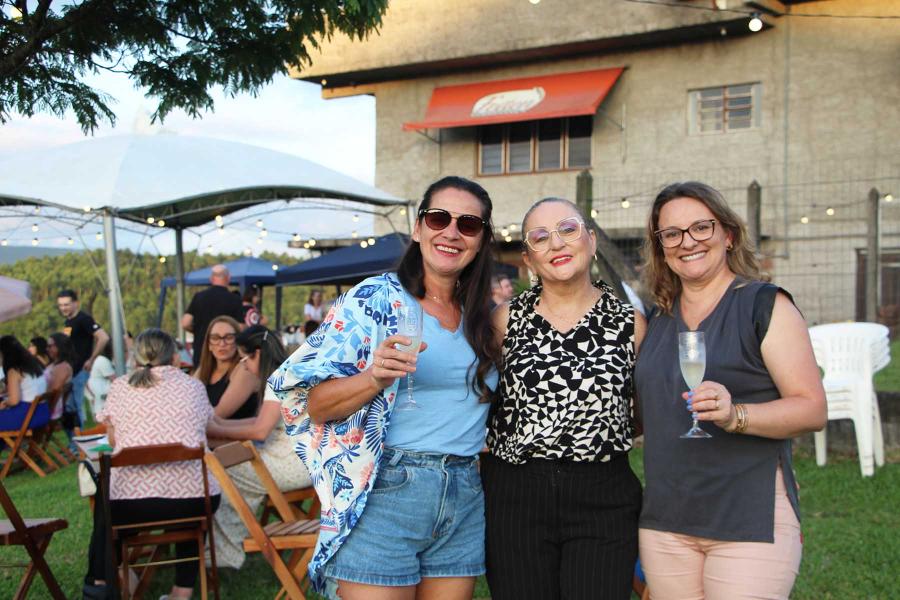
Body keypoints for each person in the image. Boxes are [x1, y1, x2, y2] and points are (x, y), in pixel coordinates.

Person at [269, 175, 501, 599]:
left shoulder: (483, 315)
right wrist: (373, 377)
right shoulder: (374, 299)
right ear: (418, 228)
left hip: (464, 490)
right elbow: (313, 404)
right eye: (438, 218)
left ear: (482, 240)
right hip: (388, 489)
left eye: (468, 224)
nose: (451, 231)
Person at [634, 181, 826, 599]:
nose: (688, 243)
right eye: (672, 233)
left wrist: (736, 415)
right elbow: (646, 412)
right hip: (666, 523)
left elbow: (812, 409)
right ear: (660, 244)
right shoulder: (658, 319)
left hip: (747, 520)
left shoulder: (764, 305)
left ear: (728, 234)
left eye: (701, 228)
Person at [484, 198, 646, 600]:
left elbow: (642, 412)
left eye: (568, 230)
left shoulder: (631, 324)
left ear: (590, 240)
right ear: (528, 259)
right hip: (517, 495)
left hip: (603, 496)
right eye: (540, 238)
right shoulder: (504, 320)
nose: (556, 244)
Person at [83, 328, 221, 600]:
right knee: (186, 505)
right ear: (174, 356)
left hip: (132, 504)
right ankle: (182, 592)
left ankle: (111, 577)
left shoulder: (121, 386)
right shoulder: (193, 385)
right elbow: (204, 427)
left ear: (136, 355)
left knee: (108, 500)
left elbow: (113, 438)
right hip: (195, 499)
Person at [206, 325, 312, 568]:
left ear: (257, 354)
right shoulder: (288, 373)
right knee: (228, 464)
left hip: (291, 464)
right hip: (301, 460)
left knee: (220, 470)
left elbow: (260, 430)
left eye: (244, 359)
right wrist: (220, 423)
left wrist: (214, 429)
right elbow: (261, 421)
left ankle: (225, 551)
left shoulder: (279, 379)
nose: (243, 366)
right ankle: (227, 546)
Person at [57, 289, 110, 429]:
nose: (63, 308)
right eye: (61, 305)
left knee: (77, 406)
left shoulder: (83, 319)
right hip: (71, 370)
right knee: (70, 407)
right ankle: (75, 443)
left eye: (67, 304)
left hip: (80, 369)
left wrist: (91, 359)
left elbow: (103, 337)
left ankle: (79, 442)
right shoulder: (68, 321)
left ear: (76, 303)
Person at [193, 316, 259, 420]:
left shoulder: (245, 369)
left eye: (229, 338)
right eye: (215, 338)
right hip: (205, 433)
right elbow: (186, 400)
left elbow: (218, 415)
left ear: (238, 342)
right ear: (209, 344)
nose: (222, 344)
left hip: (238, 434)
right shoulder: (203, 370)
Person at [181, 264, 244, 368]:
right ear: (228, 278)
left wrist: (198, 330)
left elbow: (185, 323)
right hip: (225, 354)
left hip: (201, 350)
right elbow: (240, 327)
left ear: (211, 278)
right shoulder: (234, 299)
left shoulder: (199, 297)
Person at [0, 336, 49, 431]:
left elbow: (14, 401)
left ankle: (7, 445)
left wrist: (4, 403)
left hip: (27, 416)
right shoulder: (34, 365)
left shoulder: (14, 370)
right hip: (42, 412)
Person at [45, 333, 75, 424]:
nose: (47, 349)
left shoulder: (62, 367)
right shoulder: (55, 365)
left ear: (60, 346)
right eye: (47, 346)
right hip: (47, 407)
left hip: (50, 411)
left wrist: (47, 414)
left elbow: (54, 392)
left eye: (50, 346)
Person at [85, 341, 115, 417]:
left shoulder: (102, 359)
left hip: (100, 395)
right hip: (101, 396)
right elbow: (115, 380)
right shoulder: (103, 360)